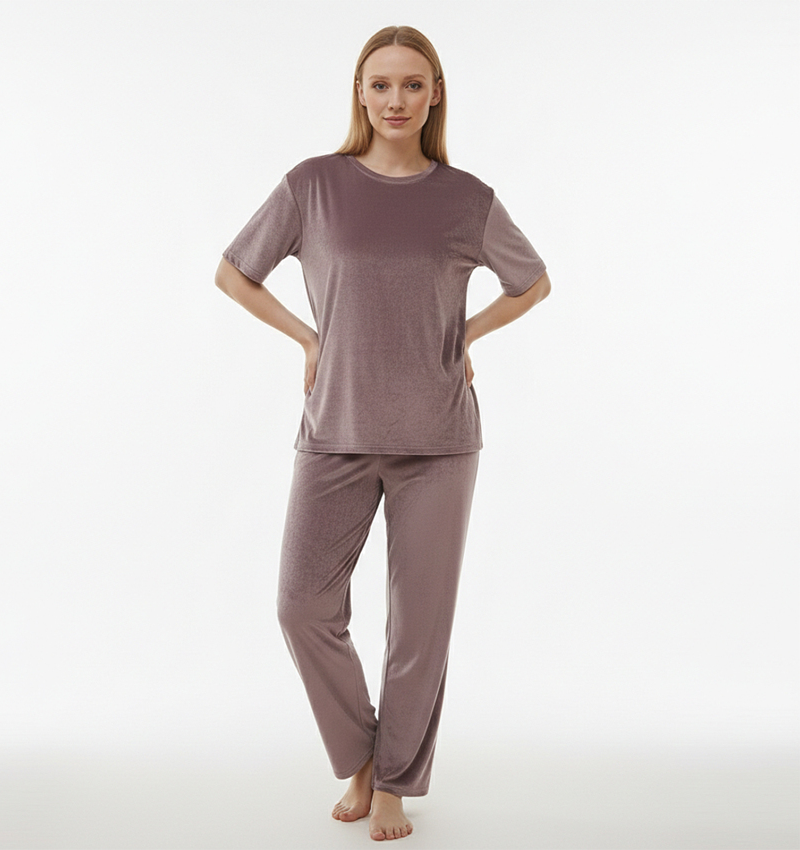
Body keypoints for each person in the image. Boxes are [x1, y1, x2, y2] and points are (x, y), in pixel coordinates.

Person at [215, 24, 551, 842]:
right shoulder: (314, 186)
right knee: (303, 608)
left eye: (411, 84)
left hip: (439, 439)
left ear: (435, 95)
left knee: (418, 628)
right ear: (359, 95)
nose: (395, 99)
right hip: (335, 428)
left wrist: (464, 336)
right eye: (380, 84)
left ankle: (395, 783)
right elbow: (234, 272)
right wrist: (309, 338)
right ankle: (360, 757)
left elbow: (532, 283)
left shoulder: (467, 199)